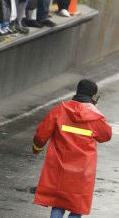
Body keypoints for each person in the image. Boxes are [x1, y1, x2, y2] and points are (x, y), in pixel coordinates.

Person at [32, 79, 112, 217]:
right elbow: (105, 136)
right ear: (93, 96)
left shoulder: (59, 110)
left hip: (59, 168)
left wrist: (37, 149)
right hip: (83, 171)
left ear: (77, 92)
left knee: (58, 202)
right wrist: (95, 110)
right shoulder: (96, 117)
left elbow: (41, 135)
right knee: (76, 205)